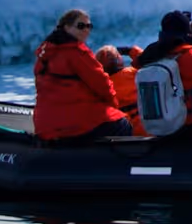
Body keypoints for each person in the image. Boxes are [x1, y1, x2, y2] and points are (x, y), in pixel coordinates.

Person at [31, 9, 130, 141]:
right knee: (123, 124)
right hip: (73, 123)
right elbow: (102, 85)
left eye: (89, 26)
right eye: (81, 26)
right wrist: (113, 107)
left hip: (44, 123)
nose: (86, 30)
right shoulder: (77, 53)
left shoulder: (45, 54)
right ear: (66, 27)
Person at [96, 45, 138, 114]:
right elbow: (150, 62)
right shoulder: (134, 73)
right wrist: (131, 50)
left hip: (122, 122)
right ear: (118, 59)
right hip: (144, 119)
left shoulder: (101, 86)